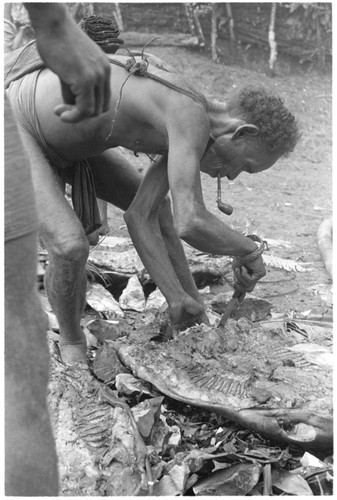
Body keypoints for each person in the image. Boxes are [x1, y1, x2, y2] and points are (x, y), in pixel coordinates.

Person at [6, 39, 300, 367]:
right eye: (245, 166)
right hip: (18, 126)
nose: (232, 177)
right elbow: (190, 220)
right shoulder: (189, 115)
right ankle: (72, 342)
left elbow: (142, 214)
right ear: (242, 133)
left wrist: (186, 304)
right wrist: (249, 249)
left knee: (158, 211)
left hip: (70, 144)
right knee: (70, 245)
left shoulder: (193, 123)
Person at [5, 3, 111, 495]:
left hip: (42, 112)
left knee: (19, 333)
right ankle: (69, 341)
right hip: (19, 106)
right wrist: (51, 22)